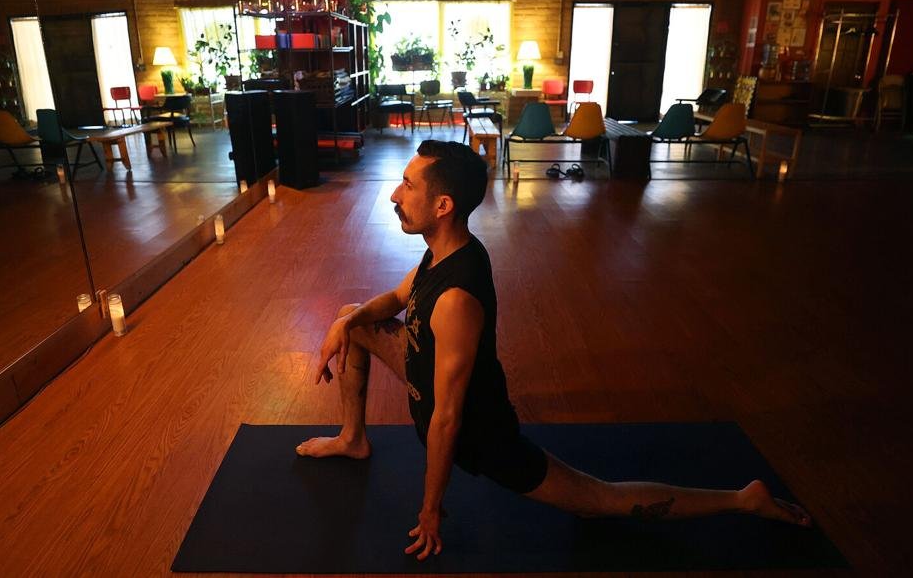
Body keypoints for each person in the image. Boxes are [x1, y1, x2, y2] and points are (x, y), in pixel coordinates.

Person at [296, 140, 811, 561]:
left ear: (442, 205)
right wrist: (345, 324)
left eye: (407, 186)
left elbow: (448, 419)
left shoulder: (456, 298)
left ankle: (744, 500)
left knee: (598, 503)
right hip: (422, 378)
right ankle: (353, 438)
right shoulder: (441, 253)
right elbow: (395, 298)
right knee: (352, 316)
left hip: (482, 438)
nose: (394, 194)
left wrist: (431, 510)